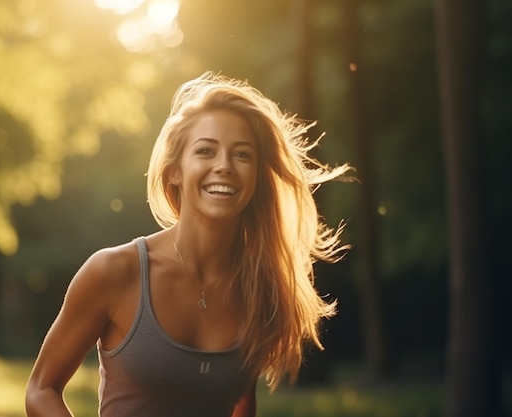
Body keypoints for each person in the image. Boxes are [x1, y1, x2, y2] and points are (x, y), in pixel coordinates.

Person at [25, 72, 351, 417]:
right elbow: (41, 389)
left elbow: (241, 402)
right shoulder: (115, 272)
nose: (223, 166)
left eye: (242, 155)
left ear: (257, 177)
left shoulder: (261, 286)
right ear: (175, 171)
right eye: (206, 151)